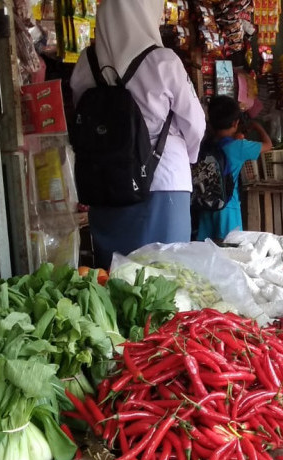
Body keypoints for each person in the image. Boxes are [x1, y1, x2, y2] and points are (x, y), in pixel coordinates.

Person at [70, 0, 206, 269]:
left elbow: (82, 117)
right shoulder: (163, 61)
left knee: (114, 276)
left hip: (106, 184)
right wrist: (188, 158)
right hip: (163, 183)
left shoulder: (86, 63)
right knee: (167, 276)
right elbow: (195, 124)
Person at [196, 96, 272, 241]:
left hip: (206, 205)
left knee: (205, 250)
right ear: (235, 123)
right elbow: (268, 145)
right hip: (228, 207)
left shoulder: (205, 144)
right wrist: (256, 126)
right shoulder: (239, 147)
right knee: (231, 250)